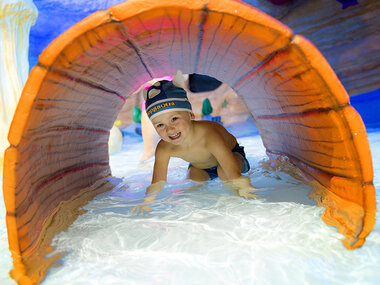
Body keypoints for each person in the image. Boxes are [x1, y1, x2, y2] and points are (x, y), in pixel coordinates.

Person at [133, 75, 259, 214]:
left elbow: (233, 173)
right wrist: (147, 201)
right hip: (200, 166)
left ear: (191, 115)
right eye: (160, 125)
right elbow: (158, 182)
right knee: (192, 183)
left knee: (225, 174)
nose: (169, 129)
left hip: (232, 157)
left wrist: (245, 189)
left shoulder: (209, 136)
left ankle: (238, 208)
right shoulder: (164, 148)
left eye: (174, 119)